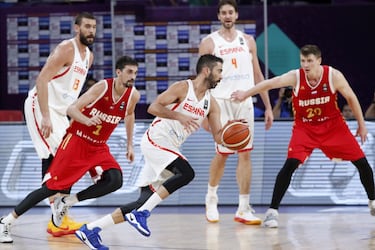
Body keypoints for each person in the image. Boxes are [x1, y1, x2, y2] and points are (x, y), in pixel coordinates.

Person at [74, 54, 228, 250]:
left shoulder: (211, 104)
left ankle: (90, 229)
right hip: (156, 139)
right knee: (187, 173)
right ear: (207, 70)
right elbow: (153, 107)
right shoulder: (183, 87)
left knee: (142, 200)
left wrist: (235, 134)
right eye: (219, 71)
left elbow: (219, 136)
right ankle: (142, 214)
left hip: (170, 147)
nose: (221, 76)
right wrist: (178, 115)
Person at [231, 44, 375, 228]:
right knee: (290, 164)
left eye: (309, 61)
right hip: (305, 128)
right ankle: (272, 212)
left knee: (361, 162)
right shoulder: (296, 77)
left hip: (333, 126)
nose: (305, 65)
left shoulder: (333, 76)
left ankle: (372, 201)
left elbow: (351, 98)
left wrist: (362, 125)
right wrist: (245, 94)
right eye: (303, 61)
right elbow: (270, 83)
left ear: (319, 61)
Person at [0, 55, 140, 244]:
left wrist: (130, 144)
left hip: (98, 147)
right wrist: (87, 120)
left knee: (115, 180)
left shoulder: (133, 95)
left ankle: (66, 202)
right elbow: (71, 109)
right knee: (51, 188)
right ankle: (6, 221)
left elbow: (129, 115)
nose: (133, 76)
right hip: (77, 141)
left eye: (136, 73)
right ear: (118, 72)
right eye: (130, 72)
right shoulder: (101, 87)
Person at [198, 0, 273, 224]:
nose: (228, 16)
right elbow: (201, 80)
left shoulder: (248, 41)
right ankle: (211, 198)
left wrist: (268, 106)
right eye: (224, 13)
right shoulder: (209, 43)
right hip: (220, 103)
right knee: (222, 154)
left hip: (245, 102)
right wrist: (203, 111)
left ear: (237, 15)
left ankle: (243, 207)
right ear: (219, 16)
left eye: (231, 12)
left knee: (245, 154)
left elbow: (258, 75)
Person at [22, 12, 96, 236]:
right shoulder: (66, 48)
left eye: (94, 27)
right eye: (87, 27)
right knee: (56, 157)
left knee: (68, 157)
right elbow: (42, 79)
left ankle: (58, 215)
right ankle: (56, 216)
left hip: (61, 112)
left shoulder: (89, 56)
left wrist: (73, 118)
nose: (91, 31)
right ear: (76, 28)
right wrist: (45, 115)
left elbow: (72, 93)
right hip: (40, 105)